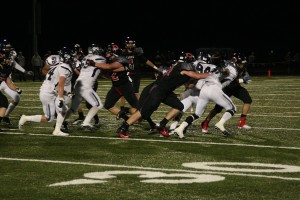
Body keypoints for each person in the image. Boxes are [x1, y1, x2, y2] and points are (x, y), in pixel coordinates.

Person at [114, 52, 211, 138]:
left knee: (179, 106)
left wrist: (196, 80)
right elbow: (197, 75)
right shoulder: (183, 67)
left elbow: (189, 85)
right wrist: (213, 74)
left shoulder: (181, 68)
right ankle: (123, 127)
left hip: (165, 91)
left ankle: (161, 124)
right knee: (142, 113)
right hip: (158, 90)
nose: (192, 65)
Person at [172, 54, 238, 138]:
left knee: (197, 114)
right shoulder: (232, 73)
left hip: (204, 89)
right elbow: (226, 73)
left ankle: (180, 128)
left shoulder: (216, 68)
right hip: (214, 89)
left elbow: (221, 71)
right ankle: (220, 124)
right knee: (232, 108)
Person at [19, 46, 74, 136]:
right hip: (47, 93)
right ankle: (25, 118)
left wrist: (67, 93)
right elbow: (60, 84)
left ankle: (57, 130)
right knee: (49, 118)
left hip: (50, 91)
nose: (73, 57)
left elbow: (56, 84)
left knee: (63, 109)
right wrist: (61, 98)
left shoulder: (60, 65)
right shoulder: (65, 67)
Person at [87, 43, 139, 124]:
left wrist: (95, 64)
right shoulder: (108, 60)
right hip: (116, 87)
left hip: (126, 86)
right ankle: (126, 118)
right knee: (108, 105)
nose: (107, 54)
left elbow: (110, 67)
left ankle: (126, 110)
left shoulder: (120, 59)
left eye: (109, 52)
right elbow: (107, 72)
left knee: (138, 111)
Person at [200, 53, 252, 133]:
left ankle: (242, 122)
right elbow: (230, 79)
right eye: (241, 63)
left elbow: (245, 74)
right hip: (226, 88)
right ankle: (206, 122)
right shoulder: (229, 66)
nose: (242, 65)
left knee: (247, 100)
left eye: (243, 64)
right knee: (218, 109)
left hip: (236, 87)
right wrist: (242, 80)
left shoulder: (241, 67)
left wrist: (246, 77)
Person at [63, 44, 106, 130]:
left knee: (74, 107)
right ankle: (86, 122)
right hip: (86, 86)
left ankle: (59, 123)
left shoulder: (85, 57)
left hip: (78, 84)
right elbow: (107, 66)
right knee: (98, 105)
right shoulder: (100, 58)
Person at [118, 36, 159, 111]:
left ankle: (141, 107)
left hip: (136, 74)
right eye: (129, 43)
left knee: (136, 92)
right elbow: (118, 63)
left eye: (132, 43)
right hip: (126, 75)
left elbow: (146, 61)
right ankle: (122, 109)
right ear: (126, 44)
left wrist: (156, 68)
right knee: (123, 93)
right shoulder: (123, 53)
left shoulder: (137, 53)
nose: (130, 45)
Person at [71, 44, 100, 127]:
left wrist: (75, 69)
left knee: (89, 103)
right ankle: (81, 116)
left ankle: (96, 119)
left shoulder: (87, 59)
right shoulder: (77, 58)